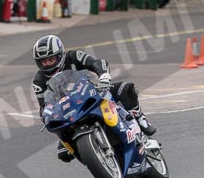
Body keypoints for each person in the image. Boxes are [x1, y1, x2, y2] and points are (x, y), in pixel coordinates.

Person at [32, 34, 156, 162]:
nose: (47, 65)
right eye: (43, 62)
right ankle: (94, 154)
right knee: (63, 154)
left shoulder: (73, 57)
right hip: (68, 113)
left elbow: (96, 63)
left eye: (50, 60)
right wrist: (46, 115)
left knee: (125, 89)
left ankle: (140, 119)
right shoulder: (39, 81)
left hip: (90, 94)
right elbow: (44, 105)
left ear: (60, 55)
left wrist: (103, 76)